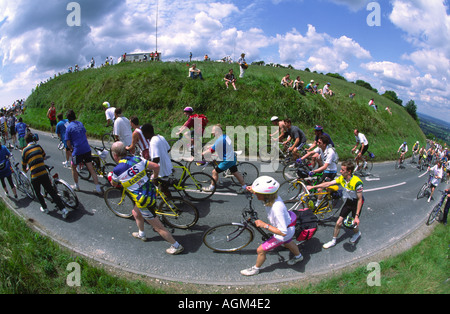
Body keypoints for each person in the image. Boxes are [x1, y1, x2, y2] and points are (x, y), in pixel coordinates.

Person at [109, 141, 184, 255]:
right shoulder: (137, 159)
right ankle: (141, 233)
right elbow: (156, 166)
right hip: (151, 191)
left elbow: (114, 184)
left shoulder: (117, 170)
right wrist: (154, 177)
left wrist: (111, 177)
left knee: (158, 227)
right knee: (135, 213)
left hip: (143, 200)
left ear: (115, 155)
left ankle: (176, 245)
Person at [240, 176, 303, 276]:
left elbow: (282, 232)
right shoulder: (273, 197)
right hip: (288, 225)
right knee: (287, 242)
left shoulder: (277, 209)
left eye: (257, 193)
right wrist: (252, 189)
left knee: (260, 250)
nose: (255, 194)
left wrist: (265, 225)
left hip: (284, 231)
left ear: (265, 195)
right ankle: (298, 256)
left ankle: (255, 269)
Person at [307, 160, 364, 249]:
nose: (340, 171)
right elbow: (328, 183)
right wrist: (313, 187)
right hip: (349, 201)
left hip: (356, 203)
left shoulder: (357, 183)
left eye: (342, 170)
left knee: (353, 224)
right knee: (338, 222)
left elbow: (360, 199)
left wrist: (356, 216)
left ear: (349, 171)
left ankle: (357, 233)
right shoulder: (342, 178)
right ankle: (333, 241)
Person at [22, 133, 69, 218]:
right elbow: (43, 157)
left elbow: (23, 168)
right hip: (43, 172)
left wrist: (27, 168)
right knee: (51, 191)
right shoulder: (38, 146)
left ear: (26, 141)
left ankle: (45, 208)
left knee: (38, 192)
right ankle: (63, 209)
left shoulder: (24, 151)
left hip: (35, 175)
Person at [64, 109, 102, 195]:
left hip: (77, 150)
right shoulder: (80, 123)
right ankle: (98, 188)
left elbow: (68, 143)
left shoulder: (68, 127)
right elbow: (85, 135)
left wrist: (71, 149)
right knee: (91, 168)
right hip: (86, 148)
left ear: (68, 119)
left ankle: (76, 186)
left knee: (73, 167)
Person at [201, 124, 247, 194]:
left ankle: (211, 187)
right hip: (232, 158)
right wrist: (212, 146)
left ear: (217, 132)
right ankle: (244, 187)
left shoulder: (220, 140)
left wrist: (202, 154)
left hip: (227, 160)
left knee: (214, 172)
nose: (212, 133)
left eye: (213, 132)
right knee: (236, 173)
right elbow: (222, 144)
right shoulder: (225, 136)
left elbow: (211, 151)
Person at [298, 135, 338, 207]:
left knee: (320, 189)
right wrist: (301, 159)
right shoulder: (320, 148)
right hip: (325, 169)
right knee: (309, 180)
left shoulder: (330, 152)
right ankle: (305, 195)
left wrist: (314, 171)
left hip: (331, 171)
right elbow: (310, 153)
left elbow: (325, 166)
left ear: (324, 144)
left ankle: (317, 205)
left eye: (319, 142)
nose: (317, 143)